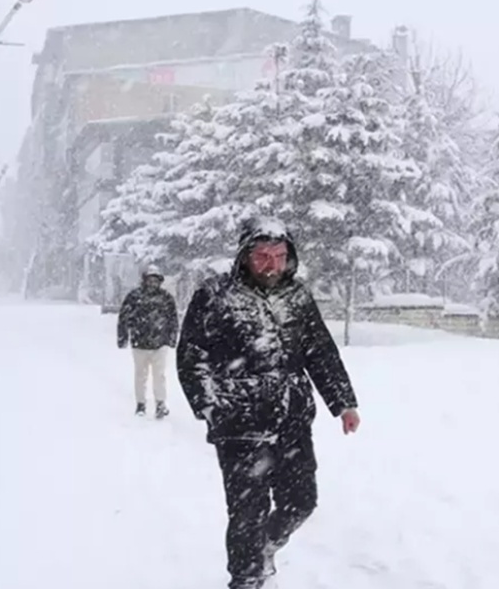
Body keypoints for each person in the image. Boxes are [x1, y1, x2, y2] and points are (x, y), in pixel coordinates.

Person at [176, 216, 360, 589]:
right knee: (248, 511)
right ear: (245, 256)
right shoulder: (216, 295)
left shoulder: (298, 296)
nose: (271, 264)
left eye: (278, 255)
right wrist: (211, 406)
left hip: (292, 418)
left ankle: (265, 547)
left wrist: (343, 402)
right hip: (239, 423)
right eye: (262, 255)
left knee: (302, 501)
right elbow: (191, 357)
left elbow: (320, 352)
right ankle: (247, 579)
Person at [116, 264, 178, 418]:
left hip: (160, 344)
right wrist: (122, 337)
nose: (152, 283)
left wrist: (172, 338)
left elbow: (173, 320)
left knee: (160, 375)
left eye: (155, 280)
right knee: (140, 375)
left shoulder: (166, 298)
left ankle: (160, 404)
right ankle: (141, 404)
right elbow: (123, 318)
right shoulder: (134, 296)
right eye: (149, 280)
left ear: (160, 281)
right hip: (140, 344)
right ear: (144, 280)